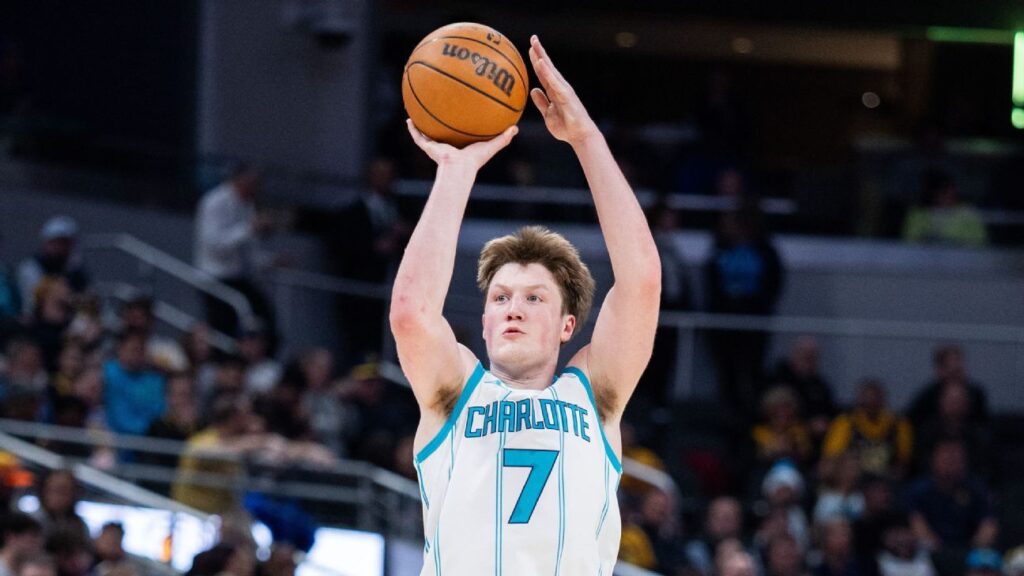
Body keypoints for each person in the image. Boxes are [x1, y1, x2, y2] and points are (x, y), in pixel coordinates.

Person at [389, 36, 661, 575]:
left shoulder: (594, 395)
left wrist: (585, 138)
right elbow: (410, 314)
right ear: (484, 321)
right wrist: (455, 172)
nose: (513, 308)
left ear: (567, 325)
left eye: (534, 297)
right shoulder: (455, 391)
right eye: (501, 297)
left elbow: (642, 282)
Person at [193, 164, 277, 352]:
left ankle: (261, 362)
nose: (256, 190)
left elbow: (248, 251)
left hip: (238, 277)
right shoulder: (214, 202)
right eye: (253, 184)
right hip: (214, 276)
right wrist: (250, 229)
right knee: (223, 328)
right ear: (240, 180)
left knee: (264, 320)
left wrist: (270, 261)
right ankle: (223, 363)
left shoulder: (247, 205)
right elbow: (214, 245)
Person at [16, 216, 89, 318]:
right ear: (46, 243)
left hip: (69, 319)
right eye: (56, 242)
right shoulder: (31, 268)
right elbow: (33, 302)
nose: (60, 248)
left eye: (65, 243)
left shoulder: (76, 270)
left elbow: (87, 295)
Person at [902, 171, 987, 247]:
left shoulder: (969, 213)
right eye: (943, 192)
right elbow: (908, 241)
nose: (948, 196)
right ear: (932, 193)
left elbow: (980, 243)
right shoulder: (917, 213)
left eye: (951, 192)